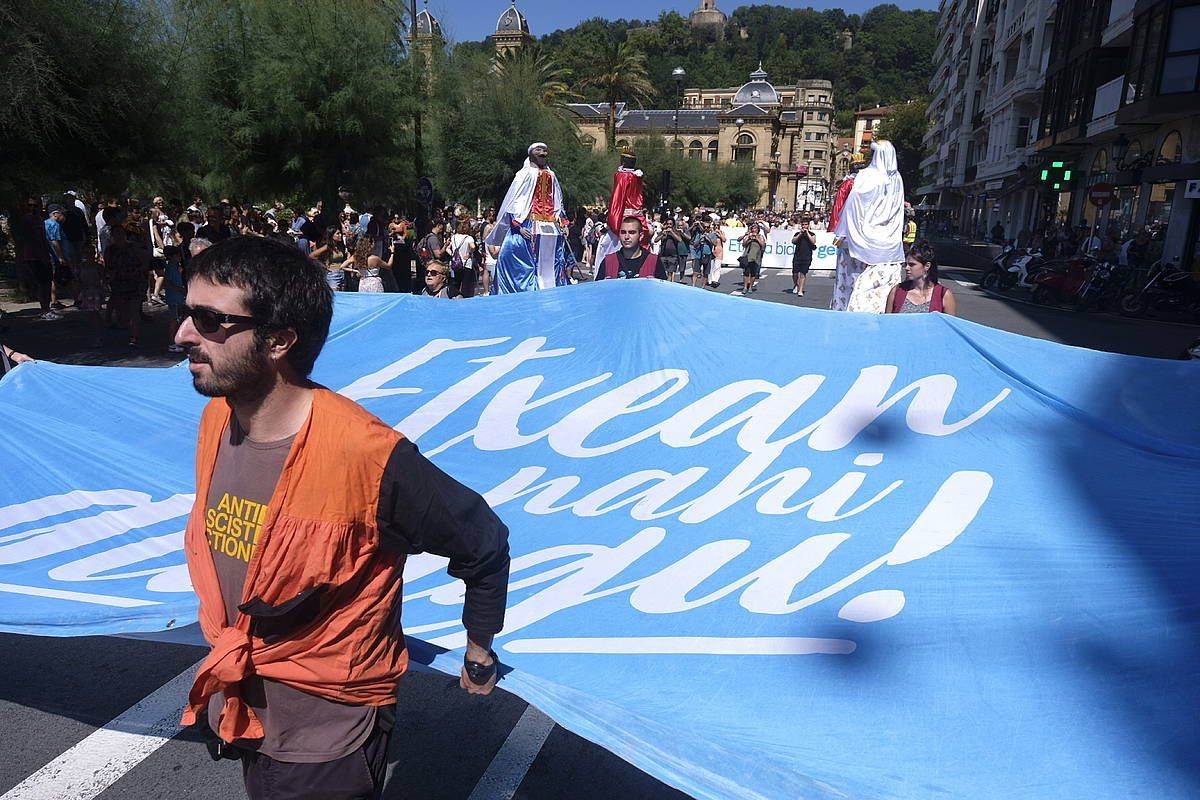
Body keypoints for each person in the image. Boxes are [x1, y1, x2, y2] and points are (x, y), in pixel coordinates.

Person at [172, 236, 509, 800]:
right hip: (245, 712)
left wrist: (478, 649)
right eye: (183, 312)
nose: (182, 334)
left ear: (279, 339)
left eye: (210, 320)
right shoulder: (216, 420)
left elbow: (482, 540)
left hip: (328, 739)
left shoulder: (367, 455)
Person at [486, 142, 574, 293]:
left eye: (545, 150)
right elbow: (515, 201)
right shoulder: (524, 174)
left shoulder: (551, 175)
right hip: (527, 223)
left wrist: (562, 222)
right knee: (513, 254)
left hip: (551, 226)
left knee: (554, 261)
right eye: (539, 150)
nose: (543, 153)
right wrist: (517, 226)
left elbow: (558, 200)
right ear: (531, 153)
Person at [835, 140, 907, 313]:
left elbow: (854, 204)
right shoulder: (897, 178)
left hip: (861, 240)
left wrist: (842, 231)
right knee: (883, 289)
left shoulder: (868, 175)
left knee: (851, 283)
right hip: (889, 242)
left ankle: (845, 312)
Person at [885, 241, 957, 316]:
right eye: (906, 264)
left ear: (927, 266)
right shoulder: (897, 291)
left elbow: (949, 326)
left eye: (912, 265)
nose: (906, 268)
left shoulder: (944, 295)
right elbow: (887, 323)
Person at [595, 217, 666, 280]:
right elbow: (598, 290)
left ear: (641, 236)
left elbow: (663, 290)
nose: (626, 237)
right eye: (623, 232)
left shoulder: (653, 261)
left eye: (632, 232)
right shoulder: (608, 261)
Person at [449, 220, 478, 298]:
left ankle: (455, 297)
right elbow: (473, 246)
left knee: (456, 282)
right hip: (466, 263)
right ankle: (464, 298)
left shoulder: (453, 237)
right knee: (465, 283)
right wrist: (469, 253)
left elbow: (447, 248)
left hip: (456, 263)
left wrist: (452, 254)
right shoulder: (469, 238)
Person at [734, 225, 765, 296]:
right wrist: (749, 238)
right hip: (747, 256)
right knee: (746, 272)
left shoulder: (760, 236)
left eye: (755, 228)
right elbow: (744, 244)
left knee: (753, 273)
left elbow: (762, 245)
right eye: (752, 228)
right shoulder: (748, 235)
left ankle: (751, 286)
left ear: (758, 230)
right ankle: (745, 287)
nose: (753, 230)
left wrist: (756, 239)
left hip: (756, 256)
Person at [790, 216, 817, 296]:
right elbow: (793, 241)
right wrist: (801, 233)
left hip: (807, 256)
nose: (804, 226)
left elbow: (813, 242)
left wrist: (807, 233)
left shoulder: (812, 234)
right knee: (795, 273)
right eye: (803, 225)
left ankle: (800, 290)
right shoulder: (798, 234)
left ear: (808, 225)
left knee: (803, 274)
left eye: (806, 225)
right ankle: (795, 284)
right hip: (797, 256)